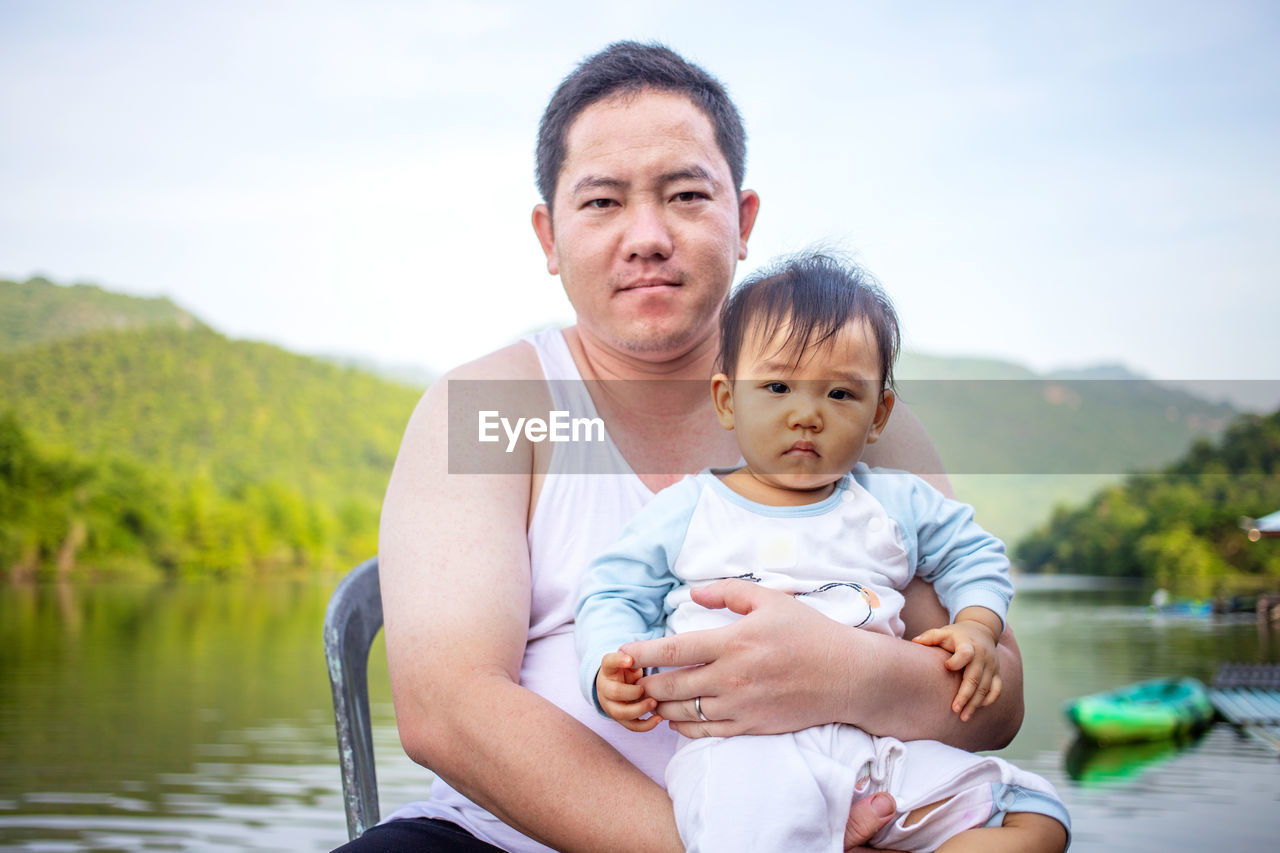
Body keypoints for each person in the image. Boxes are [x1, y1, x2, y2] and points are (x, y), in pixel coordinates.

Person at [352, 41, 1026, 853]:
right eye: (602, 202)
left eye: (684, 195)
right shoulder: (493, 409)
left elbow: (997, 701)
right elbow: (447, 709)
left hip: (842, 824)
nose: (647, 236)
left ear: (741, 222)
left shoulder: (853, 422)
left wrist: (842, 673)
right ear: (549, 234)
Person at [576, 254, 1069, 852]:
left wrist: (977, 624)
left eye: (840, 393)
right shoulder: (689, 509)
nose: (806, 414)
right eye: (778, 386)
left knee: (1035, 817)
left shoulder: (893, 502)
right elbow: (613, 591)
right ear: (728, 400)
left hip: (876, 751)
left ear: (878, 414)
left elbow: (976, 556)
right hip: (744, 755)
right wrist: (609, 668)